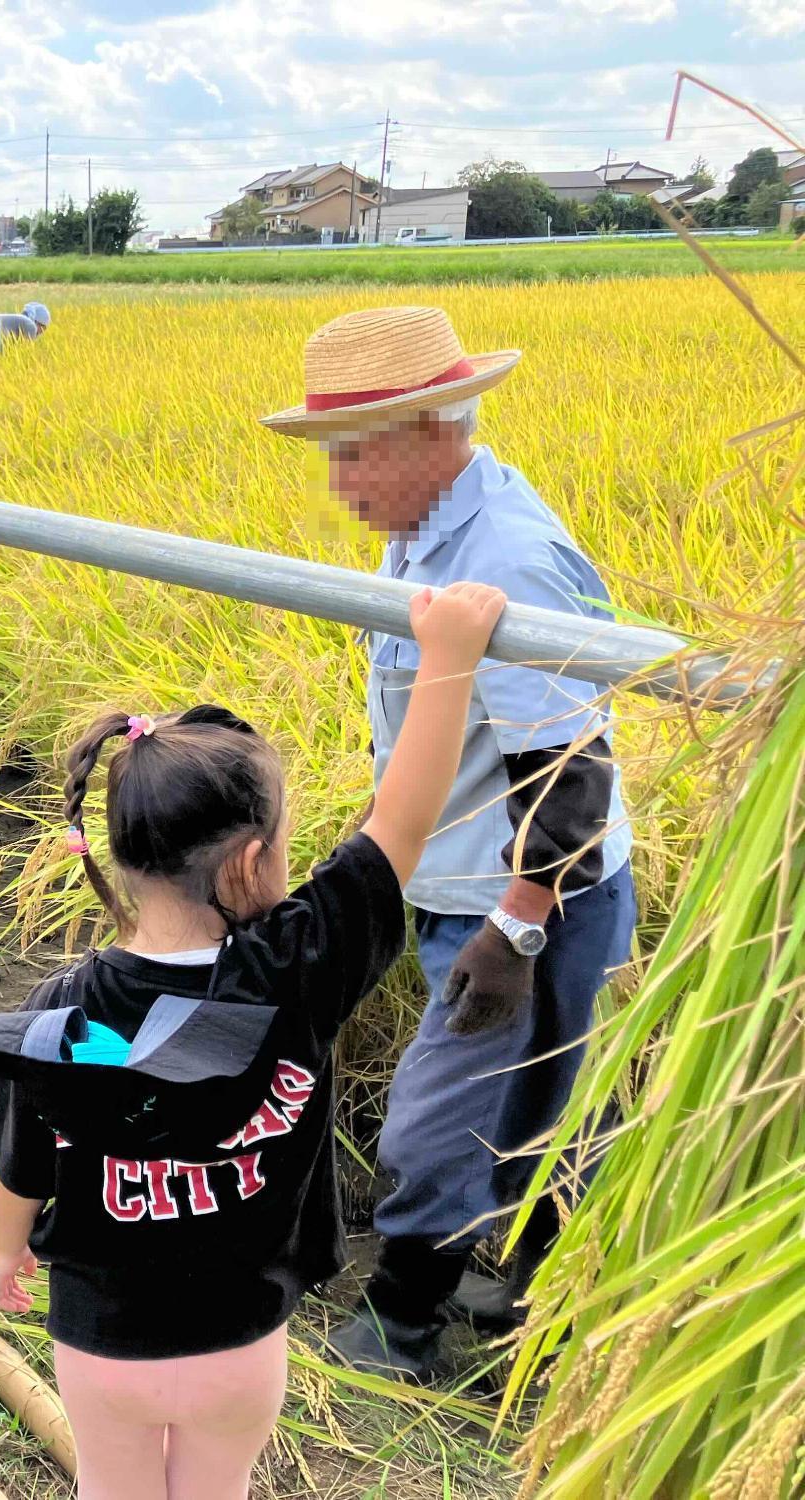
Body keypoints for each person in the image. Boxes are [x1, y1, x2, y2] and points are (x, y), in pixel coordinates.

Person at [0, 579, 507, 1500]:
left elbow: (24, 1163)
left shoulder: (59, 1014)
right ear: (253, 863)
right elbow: (402, 819)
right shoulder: (303, 966)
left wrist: (12, 1254)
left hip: (101, 1338)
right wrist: (449, 658)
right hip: (240, 1340)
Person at [261, 306, 638, 1380]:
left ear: (428, 428)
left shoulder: (508, 557)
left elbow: (566, 765)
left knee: (441, 1118)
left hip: (530, 898)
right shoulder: (428, 527)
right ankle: (537, 1292)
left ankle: (402, 1322)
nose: (337, 483)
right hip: (468, 881)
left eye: (352, 453)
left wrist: (513, 934)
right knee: (536, 1102)